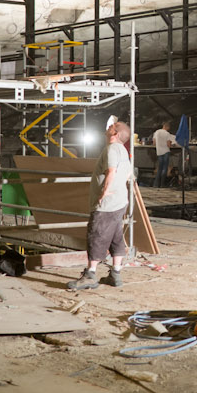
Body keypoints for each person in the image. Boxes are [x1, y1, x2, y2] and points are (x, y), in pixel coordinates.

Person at [68, 117, 134, 290]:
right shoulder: (123, 150)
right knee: (115, 237)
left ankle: (90, 275)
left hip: (108, 203)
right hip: (120, 201)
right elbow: (128, 175)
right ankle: (115, 273)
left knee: (96, 235)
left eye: (112, 126)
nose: (108, 126)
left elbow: (111, 171)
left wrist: (104, 192)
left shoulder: (112, 149)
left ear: (115, 133)